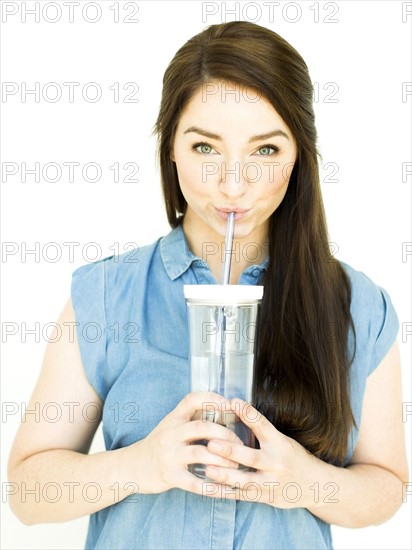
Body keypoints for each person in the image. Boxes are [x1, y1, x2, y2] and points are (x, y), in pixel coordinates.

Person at [8, 20, 409, 550]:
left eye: (265, 150)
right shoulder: (108, 296)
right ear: (170, 147)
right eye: (205, 148)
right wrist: (143, 465)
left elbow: (387, 486)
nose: (233, 183)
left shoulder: (357, 307)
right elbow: (26, 492)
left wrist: (305, 482)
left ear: (298, 157)